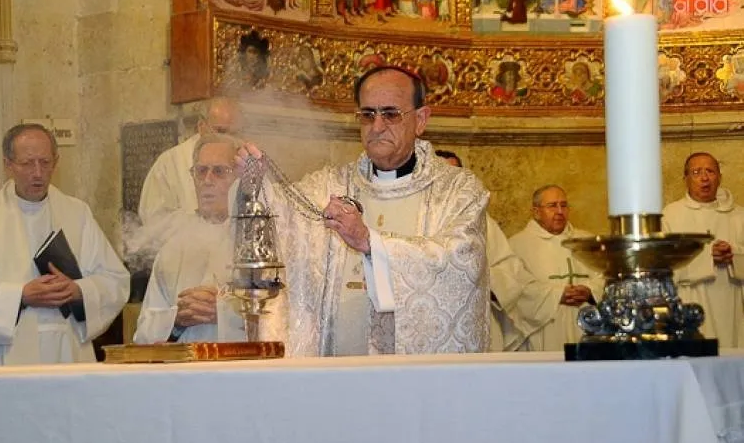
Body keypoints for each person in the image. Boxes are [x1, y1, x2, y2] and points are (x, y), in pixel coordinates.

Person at [237, 66, 490, 356]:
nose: (377, 126)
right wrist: (257, 182)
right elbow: (284, 214)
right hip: (339, 370)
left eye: (391, 114)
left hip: (413, 382)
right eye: (367, 115)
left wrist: (371, 244)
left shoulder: (458, 192)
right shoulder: (330, 185)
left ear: (421, 120)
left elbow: (462, 260)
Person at [0, 123, 129, 366]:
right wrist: (20, 296)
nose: (38, 173)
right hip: (7, 355)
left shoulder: (76, 213)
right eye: (28, 163)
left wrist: (79, 290)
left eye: (45, 162)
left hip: (67, 352)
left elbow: (115, 281)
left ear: (56, 162)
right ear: (8, 164)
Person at [133, 134, 246, 344]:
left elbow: (278, 318)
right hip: (183, 372)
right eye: (201, 171)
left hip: (237, 371)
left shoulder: (254, 241)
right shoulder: (174, 246)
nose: (207, 180)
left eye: (219, 171)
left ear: (239, 177)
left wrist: (221, 313)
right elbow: (144, 333)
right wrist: (176, 320)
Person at [434, 150, 549, 351]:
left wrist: (480, 278)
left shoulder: (483, 222)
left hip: (476, 317)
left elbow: (510, 269)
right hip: (431, 321)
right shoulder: (418, 222)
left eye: (455, 175)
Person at [663, 152, 744, 347]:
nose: (704, 178)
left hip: (731, 301)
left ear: (720, 177)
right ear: (686, 179)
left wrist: (733, 255)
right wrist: (708, 258)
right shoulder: (670, 215)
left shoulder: (739, 215)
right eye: (696, 172)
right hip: (690, 298)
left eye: (710, 171)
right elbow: (664, 265)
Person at [509, 185, 604, 351]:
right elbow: (515, 288)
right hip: (544, 331)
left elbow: (605, 276)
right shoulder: (517, 245)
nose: (560, 211)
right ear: (536, 211)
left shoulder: (587, 241)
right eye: (552, 206)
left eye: (564, 205)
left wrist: (590, 291)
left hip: (586, 326)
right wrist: (558, 294)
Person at [138, 97, 243, 224]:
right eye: (220, 131)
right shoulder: (170, 163)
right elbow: (153, 220)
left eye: (235, 133)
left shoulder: (242, 158)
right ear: (201, 127)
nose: (227, 138)